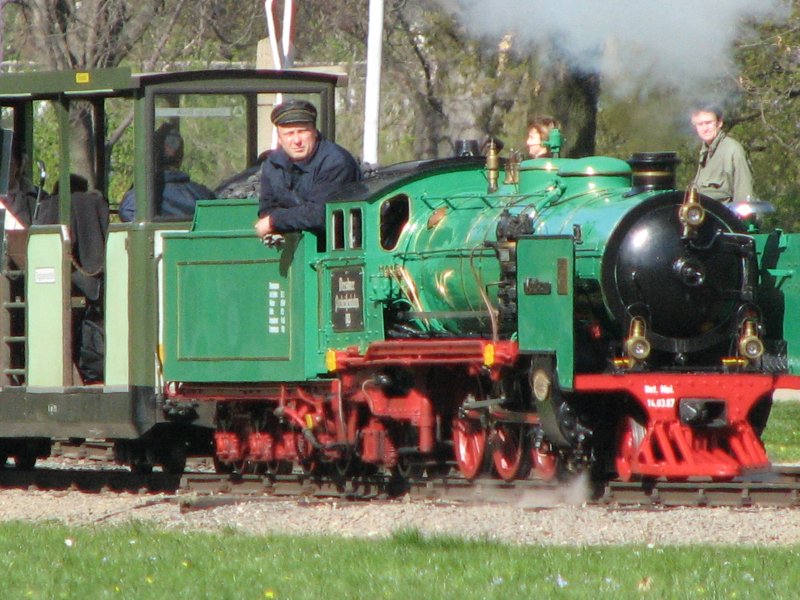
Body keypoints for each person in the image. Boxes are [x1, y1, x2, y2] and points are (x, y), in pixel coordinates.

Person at [254, 99, 361, 238]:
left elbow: (320, 215)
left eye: (302, 132)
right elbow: (266, 209)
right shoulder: (273, 164)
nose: (297, 140)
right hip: (297, 248)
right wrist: (276, 223)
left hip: (339, 248)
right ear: (280, 139)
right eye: (289, 134)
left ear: (314, 132)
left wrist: (275, 221)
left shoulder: (336, 162)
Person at [119, 124, 213, 221]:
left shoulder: (138, 197)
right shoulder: (202, 195)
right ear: (180, 157)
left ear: (153, 155)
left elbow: (128, 214)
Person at [691, 105, 753, 202]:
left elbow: (744, 195)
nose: (704, 128)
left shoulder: (733, 150)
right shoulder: (704, 153)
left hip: (723, 216)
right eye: (700, 124)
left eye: (708, 123)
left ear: (719, 123)